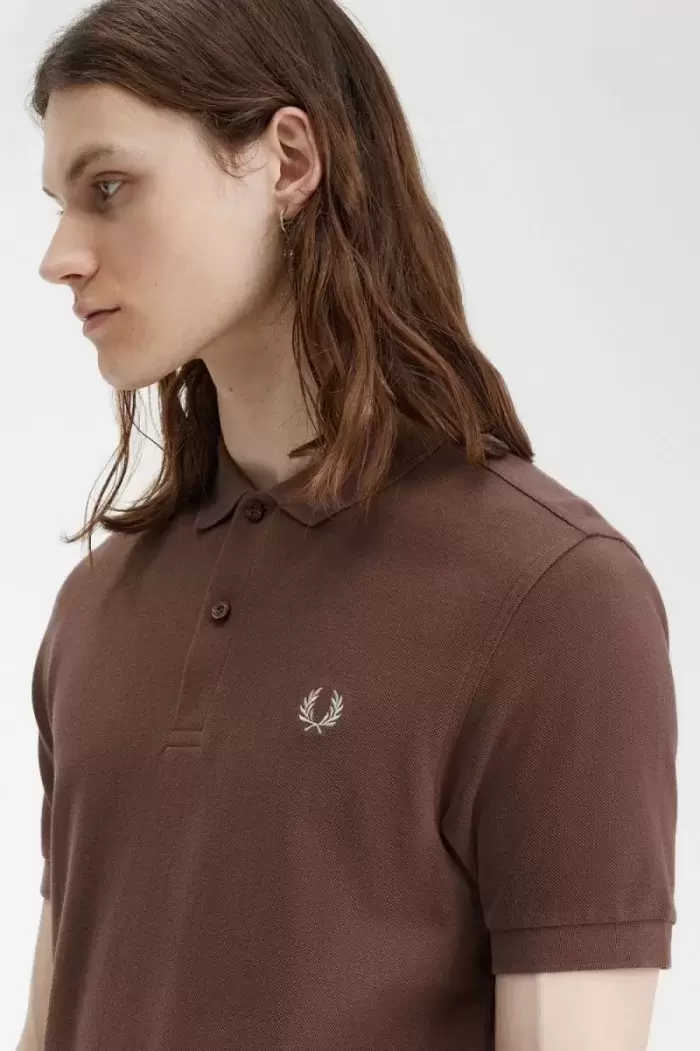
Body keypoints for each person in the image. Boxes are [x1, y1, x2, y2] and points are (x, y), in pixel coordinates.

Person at [20, 1, 677, 1049]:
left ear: (287, 161)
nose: (60, 256)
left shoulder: (552, 601)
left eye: (109, 189)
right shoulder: (95, 610)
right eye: (61, 206)